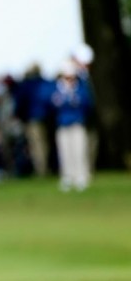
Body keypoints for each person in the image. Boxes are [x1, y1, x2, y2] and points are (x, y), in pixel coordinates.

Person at [49, 60, 93, 191]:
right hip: (63, 124)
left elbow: (87, 103)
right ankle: (67, 176)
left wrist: (73, 99)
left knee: (79, 150)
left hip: (77, 122)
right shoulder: (57, 88)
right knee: (65, 152)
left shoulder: (80, 87)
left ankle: (81, 176)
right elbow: (52, 104)